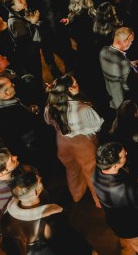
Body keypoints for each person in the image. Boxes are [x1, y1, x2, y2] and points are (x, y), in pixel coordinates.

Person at [93, 142, 138, 255]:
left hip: (116, 221)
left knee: (127, 249)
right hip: (131, 226)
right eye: (124, 156)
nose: (127, 155)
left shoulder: (97, 171)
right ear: (114, 166)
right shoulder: (122, 189)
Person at [44, 75, 103, 206]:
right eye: (76, 83)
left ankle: (77, 194)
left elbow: (48, 121)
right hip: (83, 144)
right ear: (70, 89)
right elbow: (97, 126)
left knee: (71, 169)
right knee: (91, 172)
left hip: (62, 141)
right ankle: (99, 201)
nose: (78, 84)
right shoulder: (83, 108)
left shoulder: (50, 106)